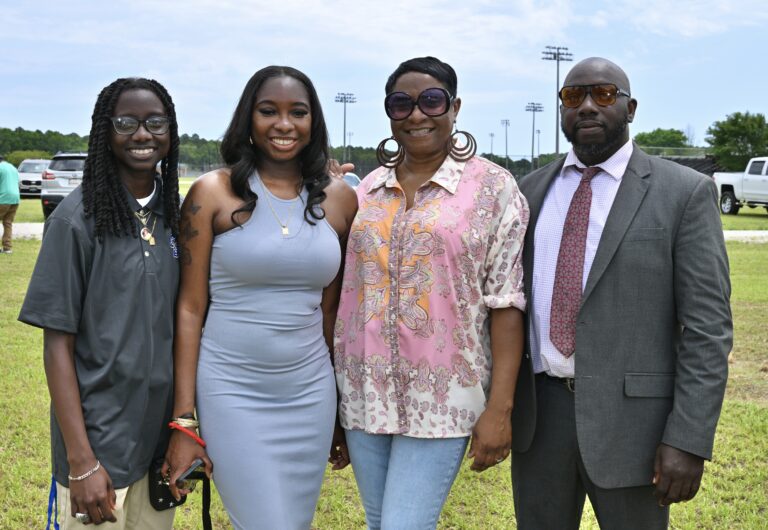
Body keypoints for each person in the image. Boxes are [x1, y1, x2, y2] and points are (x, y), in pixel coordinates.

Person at [511, 57, 732, 529]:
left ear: (631, 108)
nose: (588, 106)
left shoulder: (684, 193)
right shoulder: (528, 193)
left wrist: (689, 438)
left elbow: (708, 330)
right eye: (574, 97)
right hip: (540, 422)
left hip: (637, 430)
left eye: (604, 95)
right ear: (562, 109)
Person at [334, 56, 529, 530]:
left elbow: (505, 304)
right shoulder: (362, 193)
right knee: (380, 521)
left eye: (431, 100)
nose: (417, 114)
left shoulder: (493, 189)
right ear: (389, 113)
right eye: (401, 104)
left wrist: (500, 408)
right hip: (362, 393)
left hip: (444, 397)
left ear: (455, 107)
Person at [163, 65, 357, 530]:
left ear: (314, 122)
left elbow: (331, 311)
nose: (284, 124)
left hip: (310, 393)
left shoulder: (339, 200)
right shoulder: (213, 192)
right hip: (232, 390)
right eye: (268, 111)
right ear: (248, 119)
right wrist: (184, 421)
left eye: (298, 112)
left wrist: (340, 408)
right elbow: (190, 310)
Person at [18, 78, 181, 528]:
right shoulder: (76, 220)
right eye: (126, 123)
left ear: (171, 131)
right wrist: (82, 460)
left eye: (155, 122)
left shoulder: (175, 214)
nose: (142, 134)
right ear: (103, 131)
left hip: (158, 446)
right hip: (98, 448)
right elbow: (57, 347)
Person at [0, 154, 20, 254]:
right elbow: (18, 183)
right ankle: (7, 248)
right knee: (7, 223)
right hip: (15, 199)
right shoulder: (12, 167)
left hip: (3, 198)